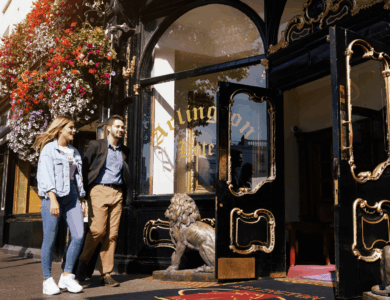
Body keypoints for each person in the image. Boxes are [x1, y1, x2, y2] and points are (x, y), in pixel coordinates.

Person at [34, 115, 87, 295]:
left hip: (71, 196)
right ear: (60, 129)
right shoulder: (49, 149)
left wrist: (82, 198)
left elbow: (78, 178)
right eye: (70, 127)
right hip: (52, 196)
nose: (74, 130)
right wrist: (53, 199)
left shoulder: (75, 152)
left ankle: (66, 275)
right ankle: (47, 279)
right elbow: (45, 175)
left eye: (74, 127)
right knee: (50, 238)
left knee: (79, 235)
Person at [76, 114, 130, 287]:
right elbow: (84, 169)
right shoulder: (96, 145)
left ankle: (106, 273)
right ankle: (82, 265)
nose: (121, 130)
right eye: (117, 127)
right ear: (109, 128)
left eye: (123, 127)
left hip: (118, 192)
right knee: (97, 231)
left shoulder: (124, 150)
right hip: (99, 190)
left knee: (112, 235)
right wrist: (83, 194)